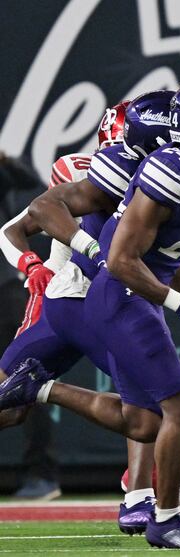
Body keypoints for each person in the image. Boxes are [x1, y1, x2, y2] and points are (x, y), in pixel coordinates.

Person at [0, 78, 180, 549]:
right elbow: (37, 217)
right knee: (168, 406)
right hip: (75, 296)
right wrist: (46, 261)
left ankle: (138, 493)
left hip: (120, 292)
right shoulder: (123, 167)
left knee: (150, 418)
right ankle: (150, 504)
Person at [0, 92, 180, 531]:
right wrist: (34, 262)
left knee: (147, 409)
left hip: (107, 299)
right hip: (76, 297)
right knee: (150, 407)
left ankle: (139, 492)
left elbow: (175, 250)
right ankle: (140, 492)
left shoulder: (169, 180)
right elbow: (22, 222)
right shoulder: (95, 172)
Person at [0, 150, 62, 500]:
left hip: (3, 290)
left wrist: (5, 160)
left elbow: (37, 191)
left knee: (23, 380)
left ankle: (42, 473)